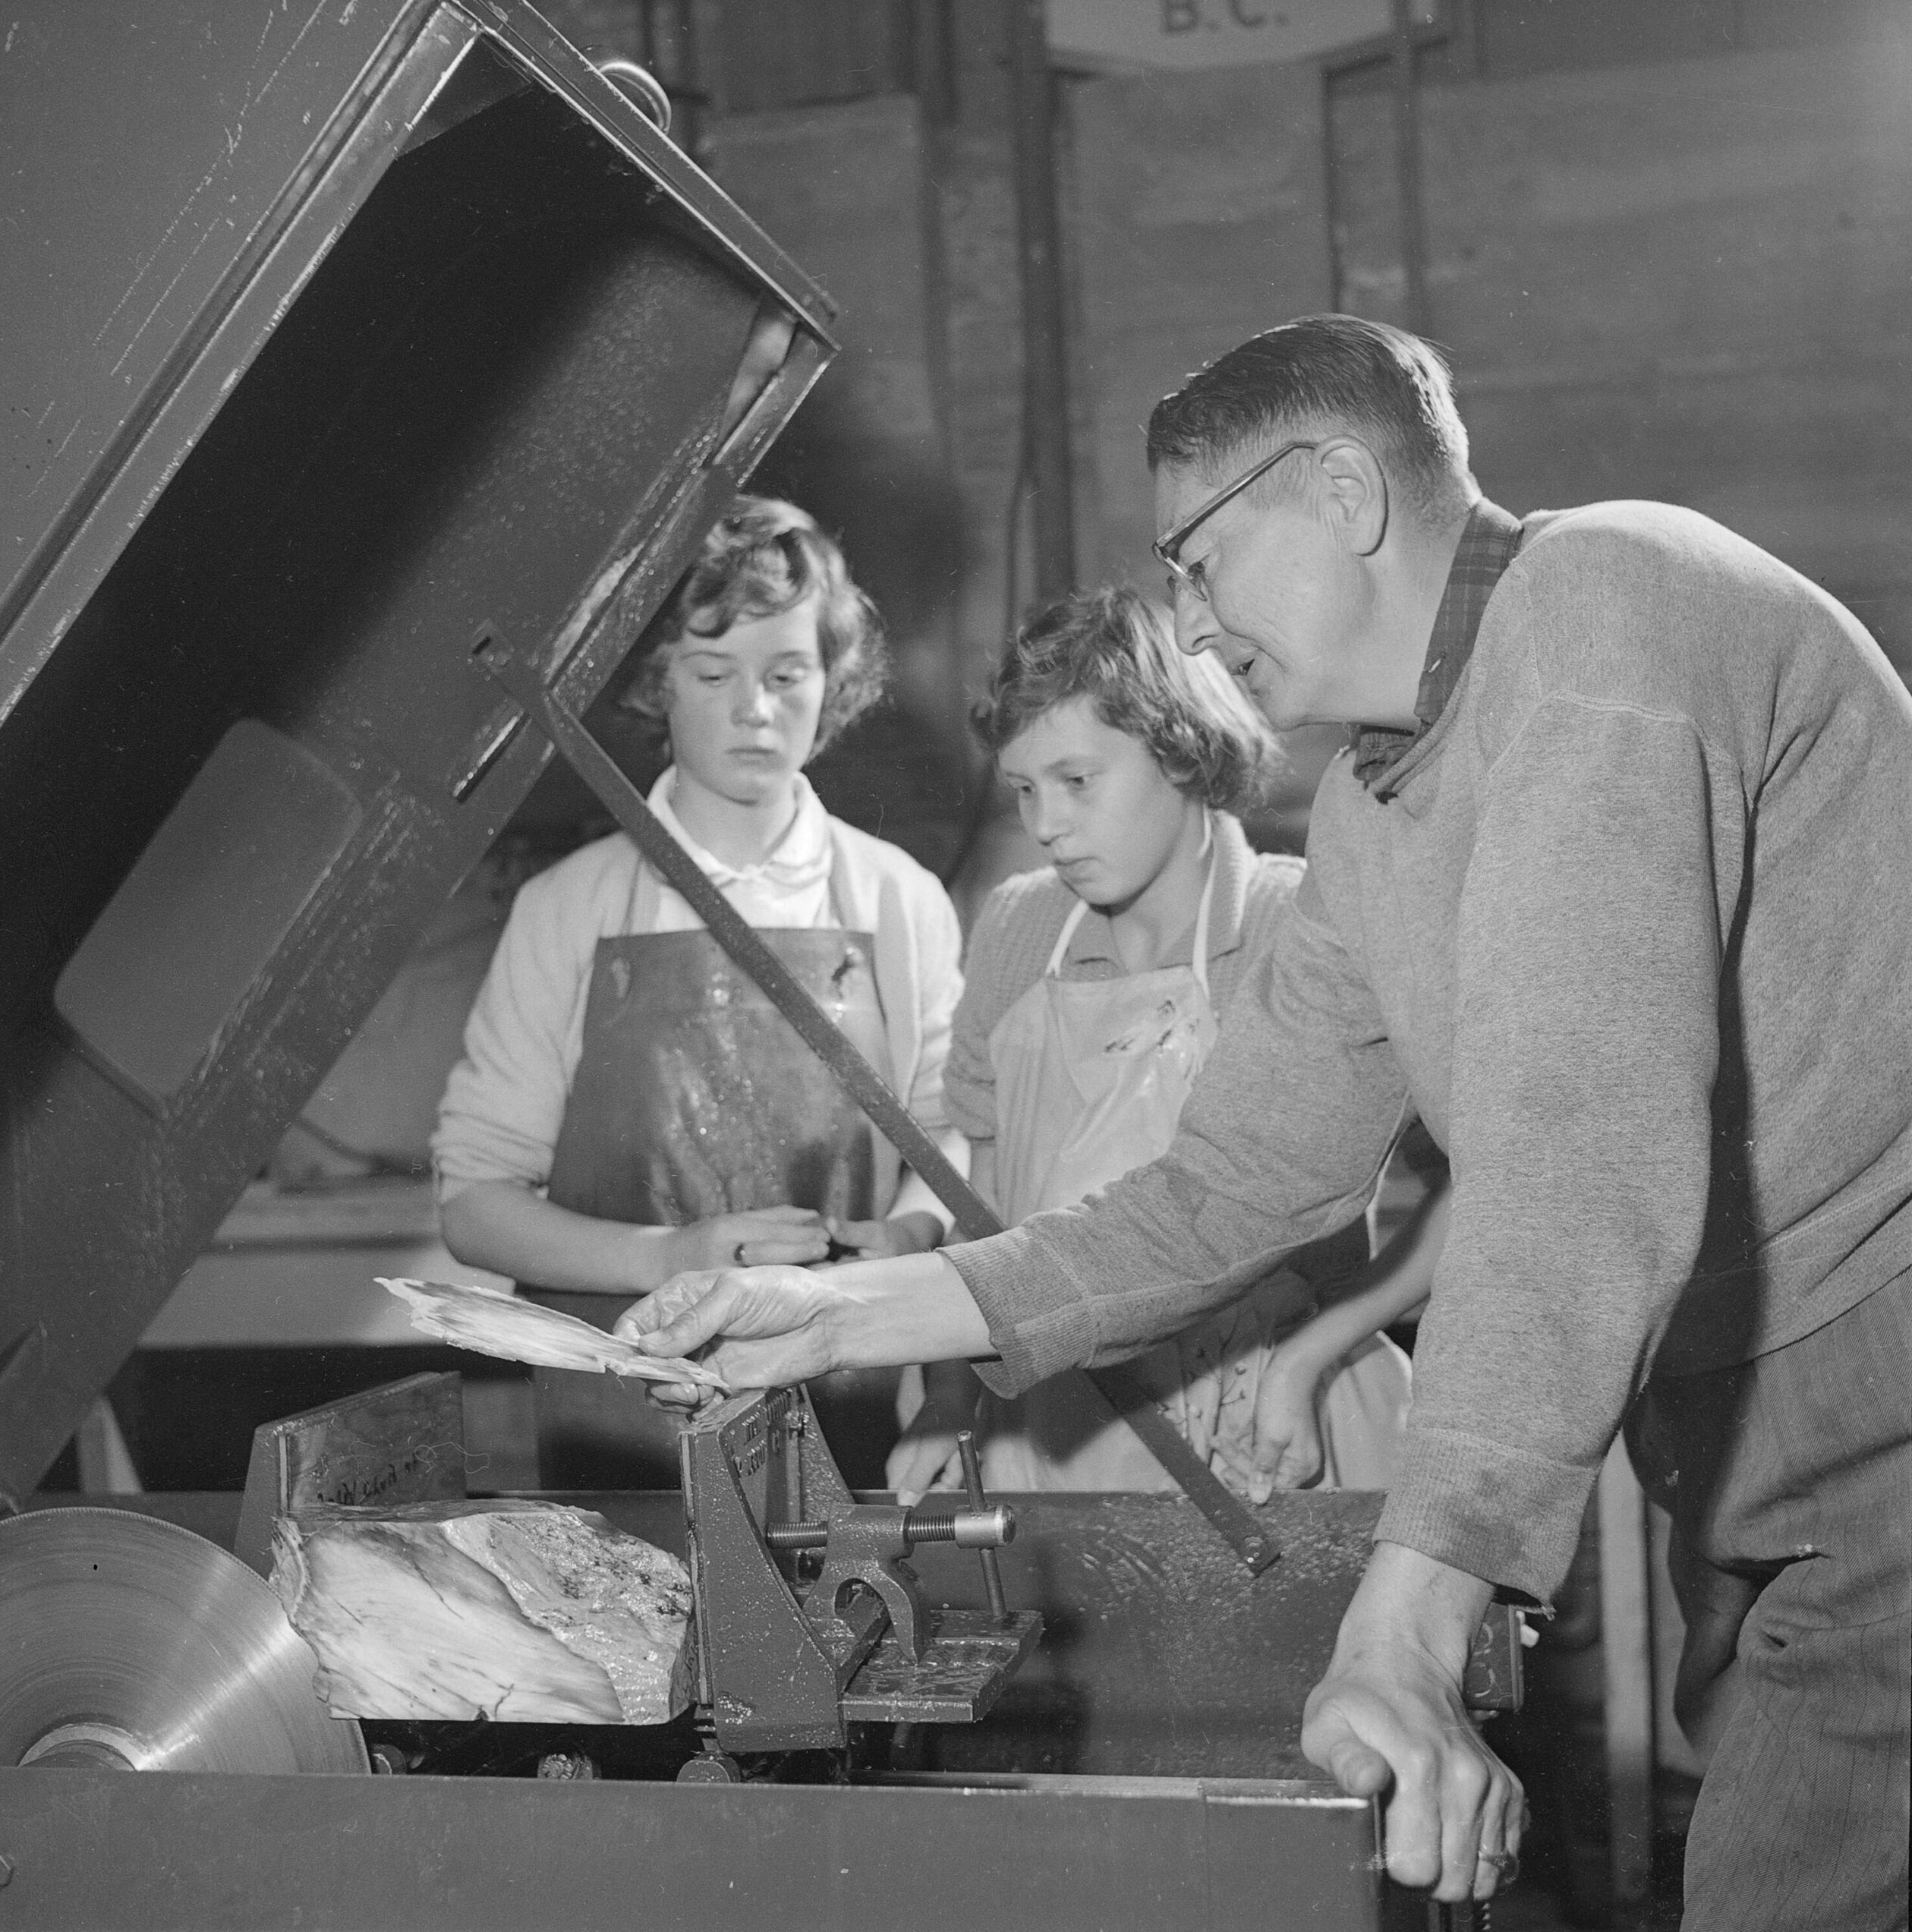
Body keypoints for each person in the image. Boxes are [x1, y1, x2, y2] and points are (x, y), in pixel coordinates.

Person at [618, 317, 1912, 1926]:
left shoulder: (1602, 620)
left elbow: (1575, 1162)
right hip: (1725, 1422)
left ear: (1343, 491)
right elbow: (1227, 1186)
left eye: (1201, 553)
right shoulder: (1379, 800)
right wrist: (832, 1309)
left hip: (1872, 1398)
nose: (1190, 614)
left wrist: (1403, 1619)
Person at [433, 494, 967, 1486]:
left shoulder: (899, 900)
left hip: (841, 1435)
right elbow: (473, 1203)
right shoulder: (570, 907)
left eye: (788, 674)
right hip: (611, 1438)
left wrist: (909, 1229)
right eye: (713, 673)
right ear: (656, 683)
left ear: (834, 682)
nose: (755, 711)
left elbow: (952, 1139)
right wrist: (667, 1256)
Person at [888, 585, 1430, 1506]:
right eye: (1024, 790)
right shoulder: (1020, 929)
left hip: (1281, 1435)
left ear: (1181, 749)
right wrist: (948, 1394)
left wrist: (1314, 1352)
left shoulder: (1298, 924)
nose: (1045, 825)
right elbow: (981, 1206)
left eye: (1076, 781)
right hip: (1055, 1432)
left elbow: (1489, 1184)